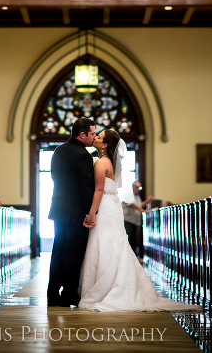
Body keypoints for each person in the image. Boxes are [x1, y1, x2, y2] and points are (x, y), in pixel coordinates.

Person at [78, 129, 201, 312]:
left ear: (105, 145)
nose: (95, 137)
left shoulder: (100, 163)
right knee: (114, 244)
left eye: (99, 137)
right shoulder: (112, 163)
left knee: (102, 244)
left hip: (104, 208)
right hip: (113, 208)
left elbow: (98, 191)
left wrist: (91, 213)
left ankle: (104, 288)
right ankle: (117, 284)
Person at [47, 117, 96, 307]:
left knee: (58, 252)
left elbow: (54, 176)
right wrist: (91, 212)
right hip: (76, 213)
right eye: (92, 133)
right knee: (73, 255)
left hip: (59, 209)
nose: (94, 136)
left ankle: (52, 294)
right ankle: (68, 294)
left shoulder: (59, 150)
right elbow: (86, 187)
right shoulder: (83, 154)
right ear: (82, 134)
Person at [122, 180, 153, 257]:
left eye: (140, 187)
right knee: (128, 240)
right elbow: (133, 205)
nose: (138, 189)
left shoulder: (137, 196)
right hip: (128, 221)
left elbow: (139, 205)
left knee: (134, 241)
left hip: (135, 222)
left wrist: (147, 201)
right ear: (132, 187)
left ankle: (133, 257)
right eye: (137, 187)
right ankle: (127, 257)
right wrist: (142, 210)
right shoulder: (128, 194)